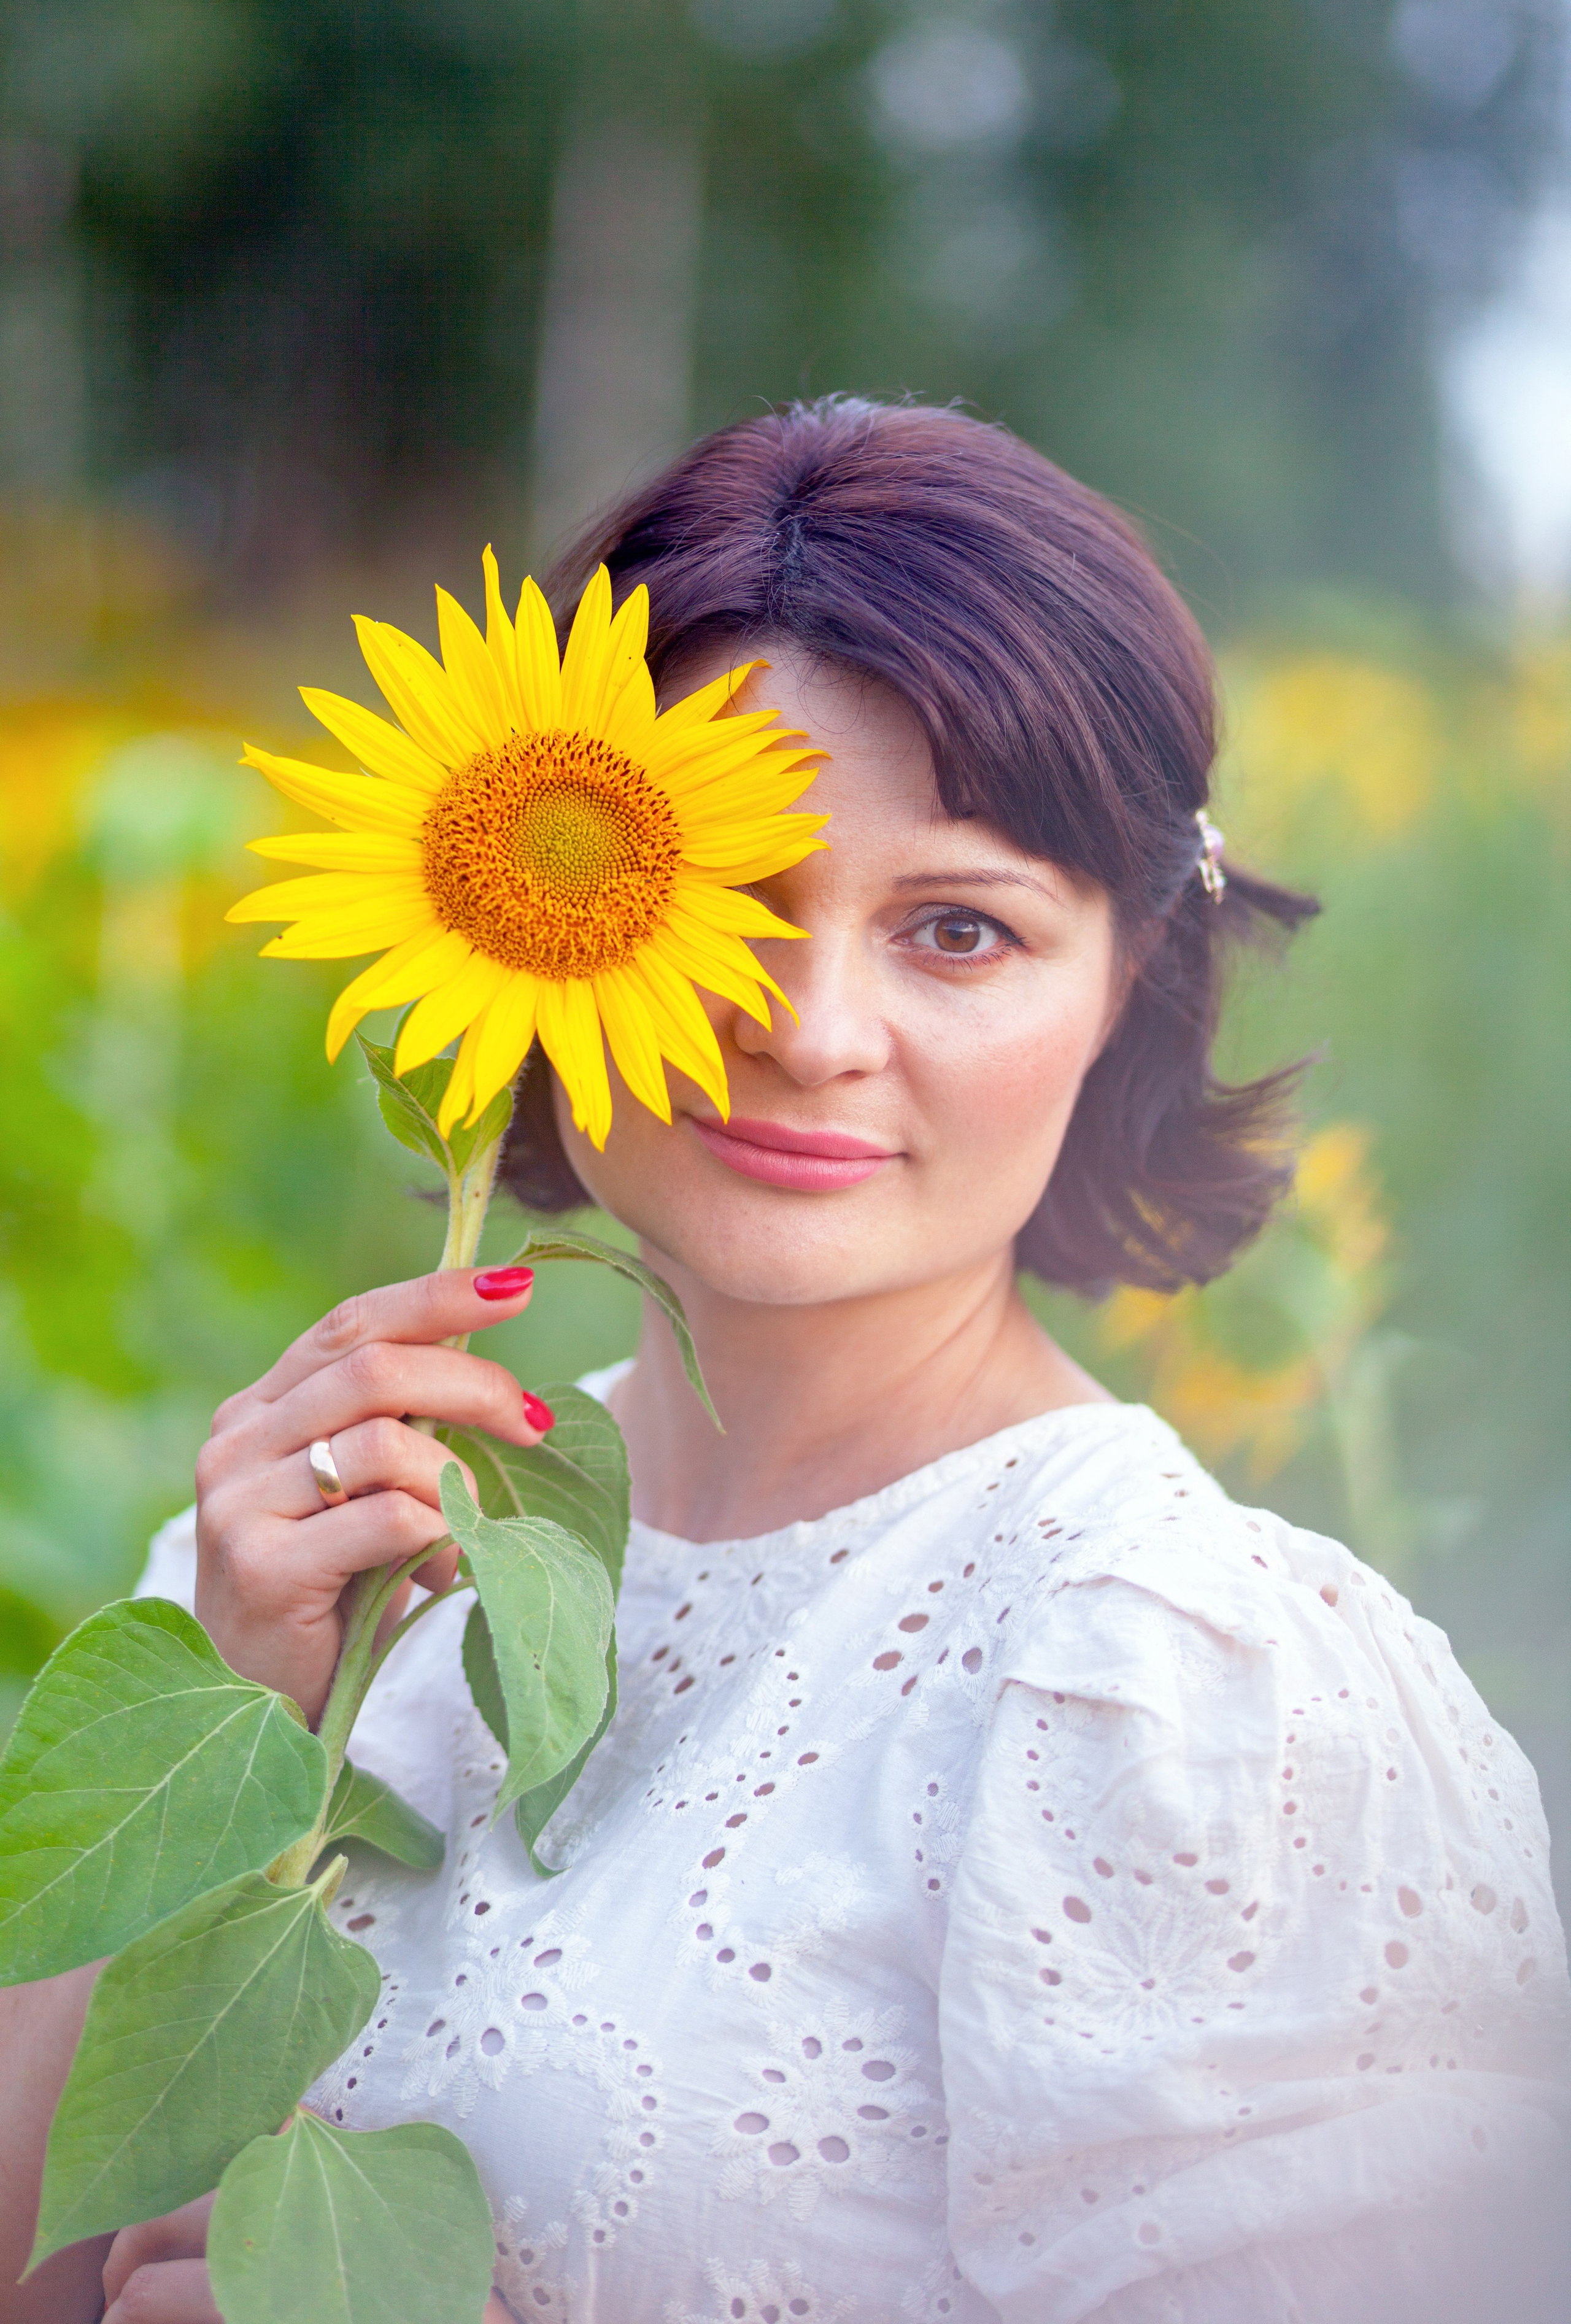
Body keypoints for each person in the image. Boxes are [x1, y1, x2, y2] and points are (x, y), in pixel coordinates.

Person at [2, 399, 1564, 2324]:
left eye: (962, 931)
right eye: (729, 896)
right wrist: (226, 1716)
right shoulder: (333, 1548)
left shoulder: (1185, 1694)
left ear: (1128, 984)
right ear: (540, 893)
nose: (814, 1029)